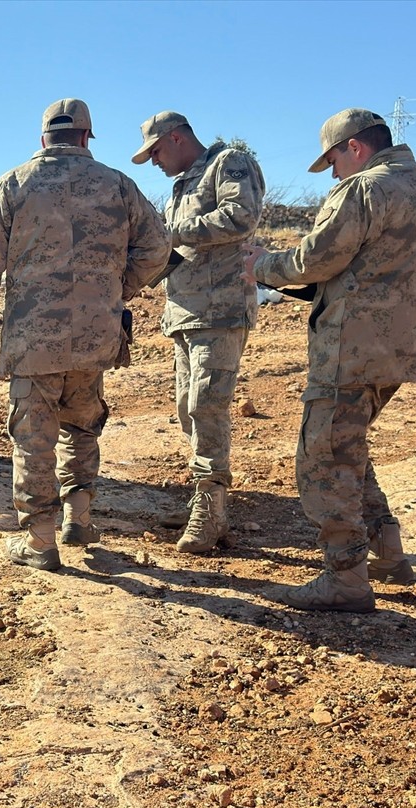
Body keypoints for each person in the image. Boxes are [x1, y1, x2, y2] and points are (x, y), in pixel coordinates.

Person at [0, 99, 170, 570]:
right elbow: (158, 247)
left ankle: (39, 542)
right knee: (83, 424)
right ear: (88, 138)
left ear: (42, 139)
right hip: (97, 335)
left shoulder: (12, 184)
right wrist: (115, 290)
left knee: (34, 437)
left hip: (34, 339)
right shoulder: (118, 184)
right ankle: (79, 516)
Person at [244, 108, 416, 612]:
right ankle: (388, 554)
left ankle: (346, 579)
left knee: (324, 459)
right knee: (347, 446)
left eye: (333, 160)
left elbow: (316, 259)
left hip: (351, 349)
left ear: (355, 147)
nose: (333, 173)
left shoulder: (364, 189)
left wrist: (261, 266)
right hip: (398, 347)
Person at [132, 112, 265, 553]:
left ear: (175, 138)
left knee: (207, 407)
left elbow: (240, 216)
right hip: (186, 314)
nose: (153, 161)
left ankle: (210, 513)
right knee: (188, 409)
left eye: (155, 151)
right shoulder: (180, 185)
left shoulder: (227, 163)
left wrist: (171, 232)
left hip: (221, 310)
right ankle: (205, 503)